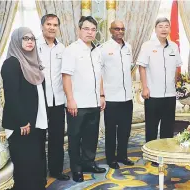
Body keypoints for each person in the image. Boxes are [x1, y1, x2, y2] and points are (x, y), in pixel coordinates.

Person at [1, 27, 47, 190]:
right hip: (22, 125)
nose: (29, 41)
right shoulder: (11, 64)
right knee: (25, 166)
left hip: (37, 122)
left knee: (37, 162)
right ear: (16, 41)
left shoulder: (35, 64)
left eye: (32, 39)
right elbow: (12, 97)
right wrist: (22, 121)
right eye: (25, 38)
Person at [61, 16, 106, 182]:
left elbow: (99, 75)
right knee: (75, 137)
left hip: (94, 103)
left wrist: (101, 95)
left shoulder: (97, 50)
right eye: (86, 29)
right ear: (79, 30)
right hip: (77, 104)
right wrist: (70, 99)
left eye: (93, 29)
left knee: (91, 136)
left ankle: (88, 163)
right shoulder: (71, 50)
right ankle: (77, 169)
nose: (90, 32)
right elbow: (66, 76)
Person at [137, 17, 182, 143]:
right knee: (151, 127)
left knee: (168, 128)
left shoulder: (174, 46)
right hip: (153, 94)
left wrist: (174, 84)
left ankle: (165, 153)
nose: (164, 29)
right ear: (155, 29)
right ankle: (151, 154)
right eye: (160, 26)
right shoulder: (147, 46)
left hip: (170, 94)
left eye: (166, 26)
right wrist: (144, 87)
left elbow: (177, 66)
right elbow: (142, 67)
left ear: (169, 29)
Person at [37, 14, 69, 181]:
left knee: (57, 138)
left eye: (55, 25)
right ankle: (40, 172)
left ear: (58, 28)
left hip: (58, 100)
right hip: (39, 102)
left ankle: (56, 170)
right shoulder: (33, 45)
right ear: (42, 26)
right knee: (39, 139)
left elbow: (66, 74)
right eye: (48, 24)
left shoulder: (62, 48)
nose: (51, 27)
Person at [100, 20, 134, 169]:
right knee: (111, 131)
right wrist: (101, 94)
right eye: (116, 29)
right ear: (110, 30)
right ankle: (111, 158)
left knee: (125, 130)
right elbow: (99, 73)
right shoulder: (103, 48)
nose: (120, 31)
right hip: (111, 97)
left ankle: (122, 155)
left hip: (127, 97)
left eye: (122, 28)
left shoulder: (129, 47)